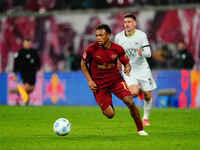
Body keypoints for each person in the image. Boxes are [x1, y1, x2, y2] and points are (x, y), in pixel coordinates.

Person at [81, 24, 148, 136]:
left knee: (130, 102)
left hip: (116, 81)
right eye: (97, 35)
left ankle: (140, 129)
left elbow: (126, 62)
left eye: (101, 35)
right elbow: (83, 64)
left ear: (108, 35)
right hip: (99, 85)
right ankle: (108, 101)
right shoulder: (91, 49)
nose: (98, 38)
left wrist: (127, 68)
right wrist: (89, 80)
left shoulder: (117, 49)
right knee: (110, 115)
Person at [114, 14, 157, 126]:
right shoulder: (118, 37)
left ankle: (145, 118)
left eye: (129, 22)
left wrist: (141, 52)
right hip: (129, 70)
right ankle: (138, 91)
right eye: (125, 22)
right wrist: (117, 63)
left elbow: (149, 54)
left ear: (134, 23)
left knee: (148, 95)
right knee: (133, 93)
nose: (126, 24)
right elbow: (115, 53)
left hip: (142, 69)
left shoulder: (141, 35)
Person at [13, 38, 41, 105]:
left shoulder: (34, 52)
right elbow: (15, 64)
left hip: (33, 73)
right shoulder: (20, 52)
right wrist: (15, 73)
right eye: (26, 43)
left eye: (29, 43)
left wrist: (38, 68)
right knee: (26, 86)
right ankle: (25, 100)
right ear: (24, 44)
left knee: (31, 89)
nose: (28, 44)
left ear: (30, 44)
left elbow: (38, 62)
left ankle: (16, 92)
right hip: (24, 72)